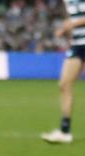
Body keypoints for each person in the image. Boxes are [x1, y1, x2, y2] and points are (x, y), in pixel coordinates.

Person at [42, 0, 85, 144]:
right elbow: (73, 19)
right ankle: (65, 131)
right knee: (64, 84)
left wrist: (72, 24)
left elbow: (74, 21)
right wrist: (65, 30)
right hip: (78, 45)